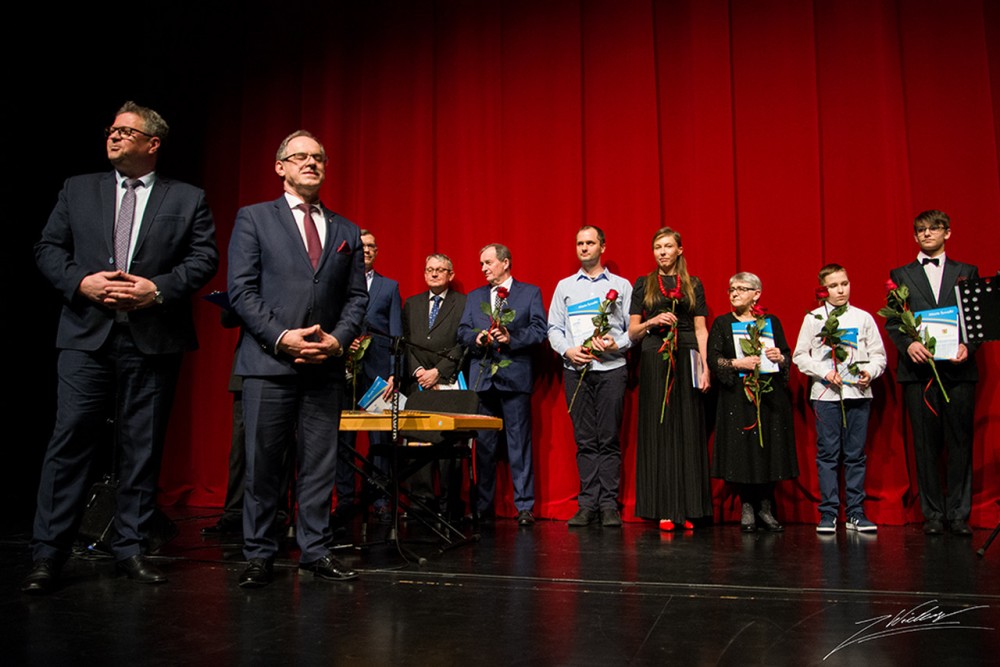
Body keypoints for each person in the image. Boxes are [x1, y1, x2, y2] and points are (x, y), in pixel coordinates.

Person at [24, 101, 218, 594]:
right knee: (70, 440)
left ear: (153, 143)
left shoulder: (187, 197)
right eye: (111, 129)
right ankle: (48, 553)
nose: (113, 136)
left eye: (126, 131)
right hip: (86, 336)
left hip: (152, 339)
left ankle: (130, 548)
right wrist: (81, 282)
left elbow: (203, 258)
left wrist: (158, 289)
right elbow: (47, 248)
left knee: (142, 446)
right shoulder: (78, 188)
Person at [228, 130, 367, 587]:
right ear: (280, 166)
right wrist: (282, 337)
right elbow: (241, 291)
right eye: (300, 156)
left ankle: (315, 550)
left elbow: (357, 298)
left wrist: (338, 341)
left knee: (319, 466)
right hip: (268, 364)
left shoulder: (346, 230)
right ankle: (259, 553)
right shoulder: (253, 218)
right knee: (264, 465)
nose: (311, 163)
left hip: (324, 367)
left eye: (318, 158)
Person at [886, 210, 979, 536]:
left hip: (958, 370)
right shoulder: (900, 274)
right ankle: (933, 515)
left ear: (947, 233)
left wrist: (968, 346)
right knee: (925, 445)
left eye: (933, 228)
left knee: (960, 442)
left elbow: (975, 317)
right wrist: (908, 344)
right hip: (919, 373)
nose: (926, 234)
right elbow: (893, 320)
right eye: (921, 230)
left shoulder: (966, 271)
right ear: (915, 236)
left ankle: (958, 513)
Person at [547, 226, 632, 527]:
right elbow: (554, 328)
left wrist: (615, 343)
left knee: (608, 439)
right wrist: (567, 351)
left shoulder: (621, 286)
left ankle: (608, 504)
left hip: (611, 370)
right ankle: (586, 504)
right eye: (580, 243)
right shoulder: (565, 287)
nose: (584, 248)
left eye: (590, 243)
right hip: (576, 371)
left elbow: (632, 331)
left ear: (602, 247)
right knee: (584, 440)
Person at [628, 227, 711, 531]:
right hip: (654, 356)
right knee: (659, 429)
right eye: (657, 247)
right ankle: (663, 508)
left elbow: (701, 329)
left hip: (687, 353)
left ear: (679, 250)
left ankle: (689, 507)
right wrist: (652, 321)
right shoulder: (644, 283)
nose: (662, 252)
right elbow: (632, 332)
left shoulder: (693, 284)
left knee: (688, 428)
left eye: (667, 246)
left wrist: (705, 367)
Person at [457, 243, 547, 526]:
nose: (483, 268)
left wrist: (512, 338)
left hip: (514, 378)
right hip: (483, 381)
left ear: (505, 262)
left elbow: (539, 331)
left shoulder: (529, 293)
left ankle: (524, 507)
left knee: (519, 444)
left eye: (488, 263)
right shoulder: (475, 297)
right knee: (484, 447)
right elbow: (462, 331)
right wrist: (476, 338)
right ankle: (483, 508)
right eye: (481, 264)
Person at [793, 264, 886, 534]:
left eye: (844, 283)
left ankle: (856, 512)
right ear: (823, 290)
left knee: (855, 455)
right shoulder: (813, 318)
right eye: (833, 286)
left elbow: (878, 355)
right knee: (828, 454)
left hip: (858, 393)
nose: (841, 290)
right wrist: (824, 372)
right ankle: (829, 512)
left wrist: (870, 371)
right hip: (826, 396)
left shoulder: (863, 318)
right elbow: (800, 355)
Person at [708, 273, 798, 533]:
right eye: (731, 289)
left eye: (741, 289)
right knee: (742, 451)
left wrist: (779, 357)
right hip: (737, 396)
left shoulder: (770, 322)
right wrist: (738, 363)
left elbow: (786, 355)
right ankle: (747, 505)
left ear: (756, 294)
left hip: (768, 396)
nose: (734, 293)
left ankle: (765, 506)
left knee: (768, 449)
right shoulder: (723, 323)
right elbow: (714, 359)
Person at [335, 229, 401, 519]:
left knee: (380, 439)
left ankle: (380, 498)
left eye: (372, 246)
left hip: (378, 375)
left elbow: (396, 334)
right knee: (344, 439)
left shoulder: (389, 287)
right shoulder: (338, 284)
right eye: (362, 246)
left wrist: (394, 373)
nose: (367, 250)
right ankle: (345, 499)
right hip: (343, 371)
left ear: (377, 251)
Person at [402, 253, 467, 518]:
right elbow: (405, 342)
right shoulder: (412, 303)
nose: (435, 273)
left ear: (451, 275)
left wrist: (438, 372)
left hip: (448, 383)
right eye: (430, 269)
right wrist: (418, 371)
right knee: (418, 442)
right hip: (417, 384)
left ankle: (449, 505)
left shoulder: (463, 303)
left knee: (448, 445)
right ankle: (421, 502)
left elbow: (463, 342)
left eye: (440, 269)